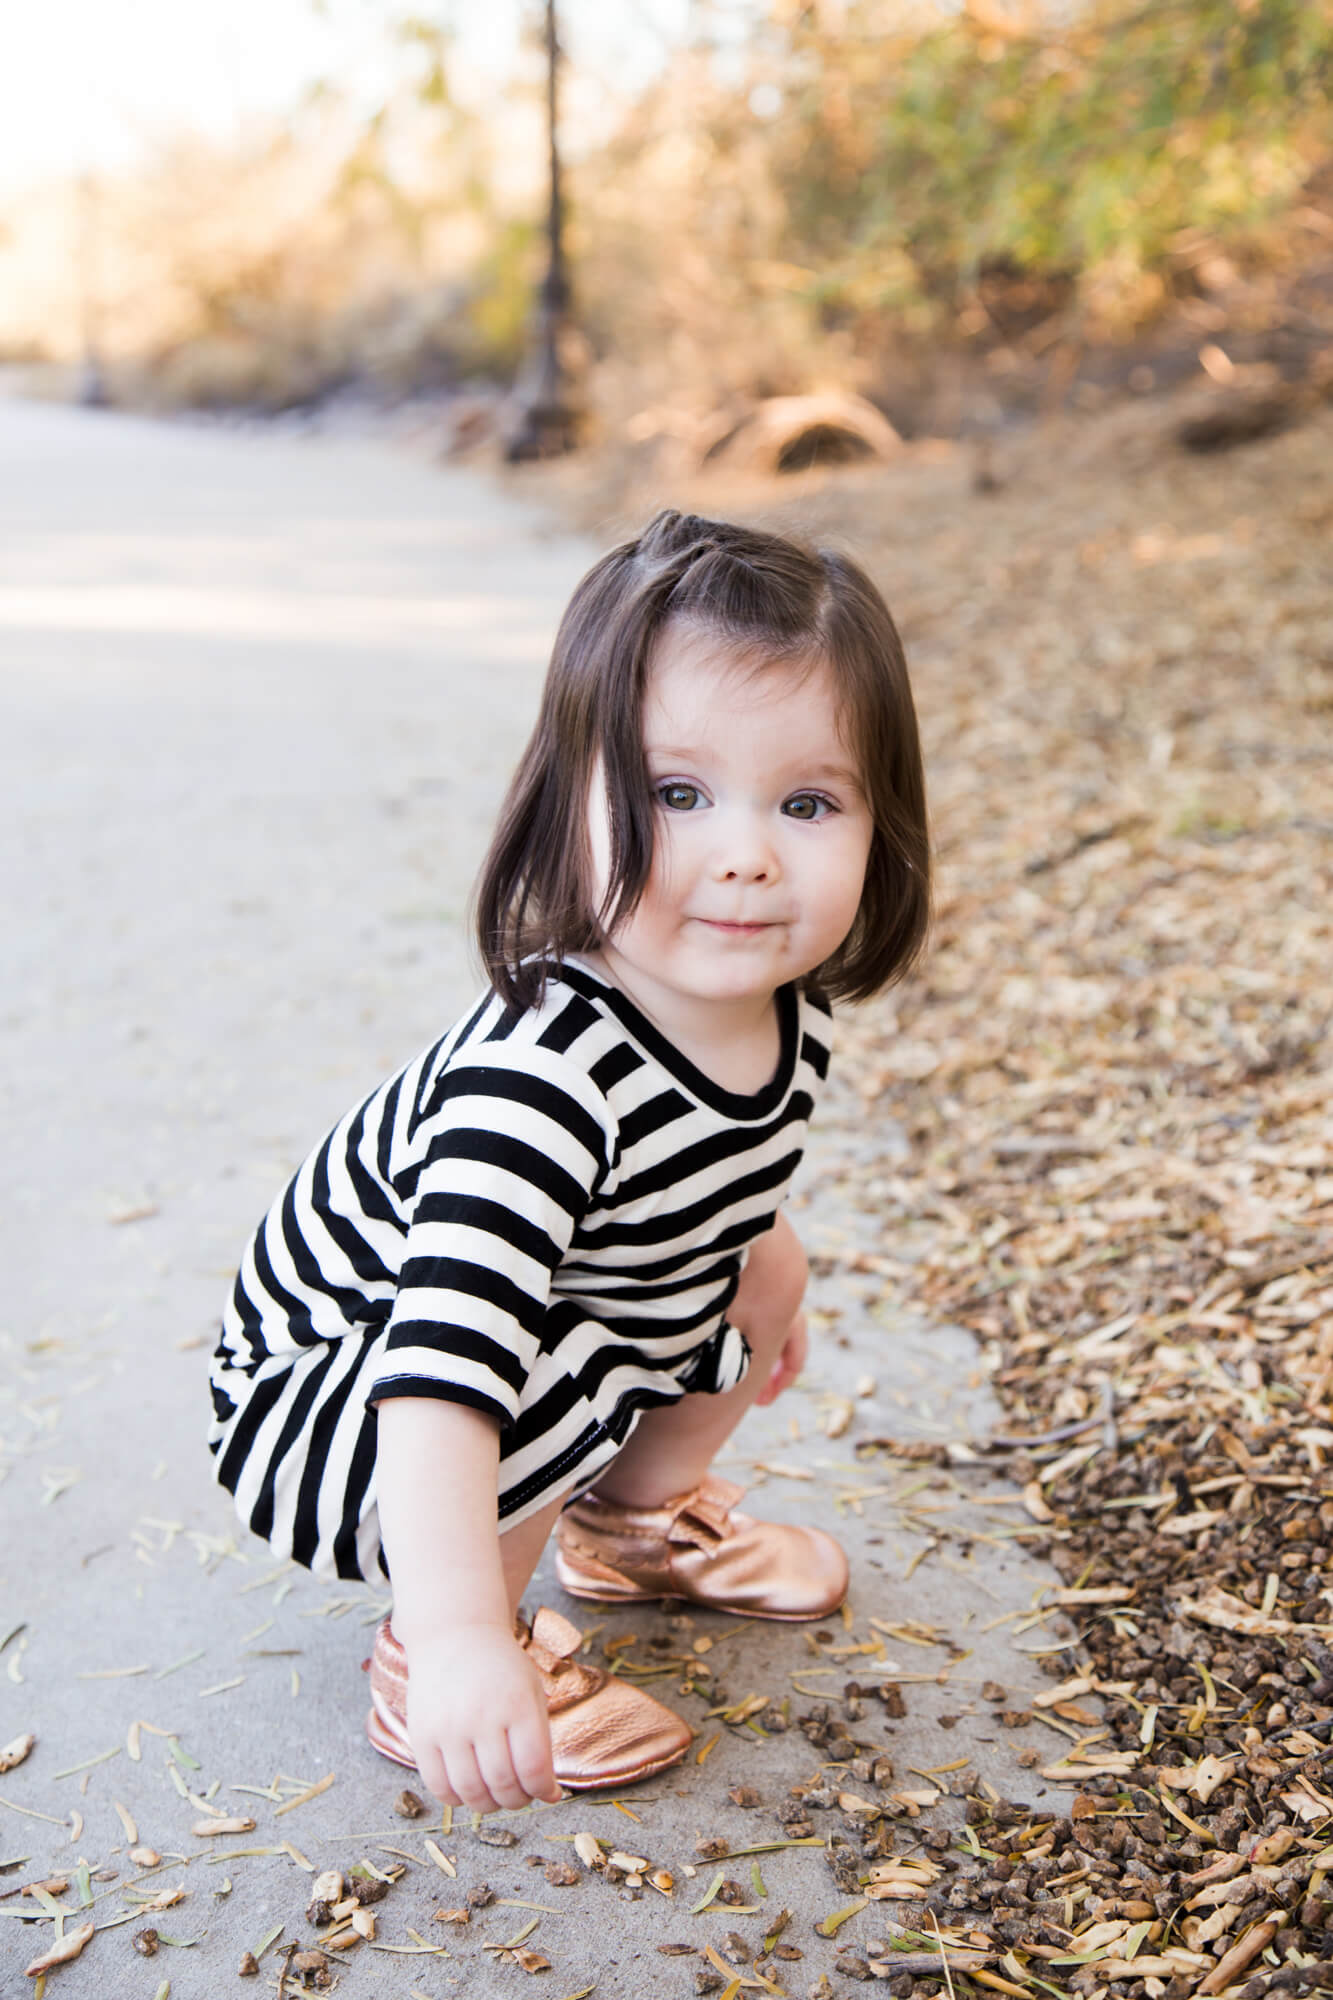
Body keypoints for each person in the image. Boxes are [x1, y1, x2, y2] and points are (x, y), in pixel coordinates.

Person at [208, 509, 930, 1816]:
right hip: (337, 1398)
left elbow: (721, 1179)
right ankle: (426, 1646)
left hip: (480, 1362)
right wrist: (464, 1642)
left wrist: (760, 1262)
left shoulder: (786, 1007)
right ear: (569, 798)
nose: (747, 853)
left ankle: (632, 1524)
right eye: (675, 794)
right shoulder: (538, 1077)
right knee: (557, 1348)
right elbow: (442, 1369)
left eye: (807, 801)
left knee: (759, 1261)